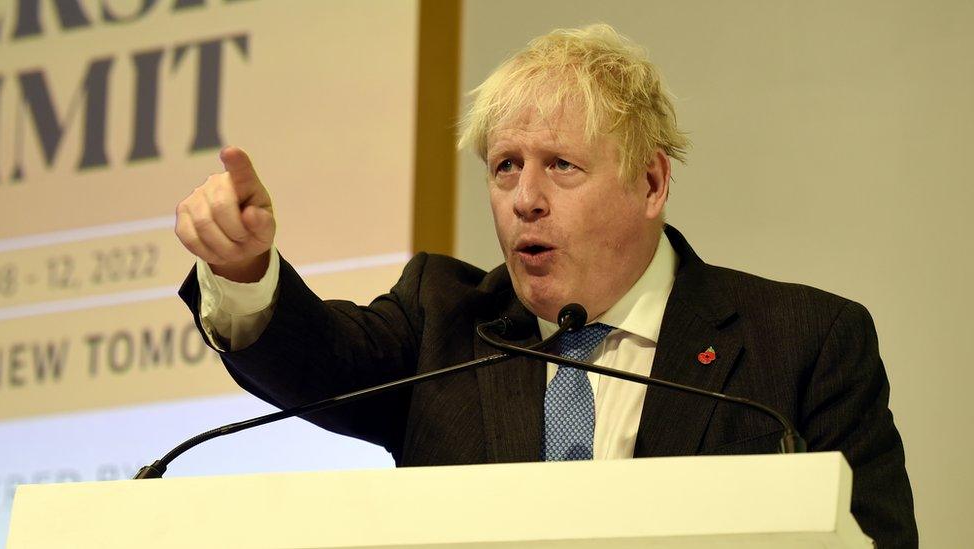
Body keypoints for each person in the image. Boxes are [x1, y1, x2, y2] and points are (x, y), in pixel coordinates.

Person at [175, 24, 917, 547]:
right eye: (505, 167)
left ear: (652, 182)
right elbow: (321, 360)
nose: (525, 198)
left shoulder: (801, 342)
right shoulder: (444, 322)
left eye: (560, 165)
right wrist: (244, 271)